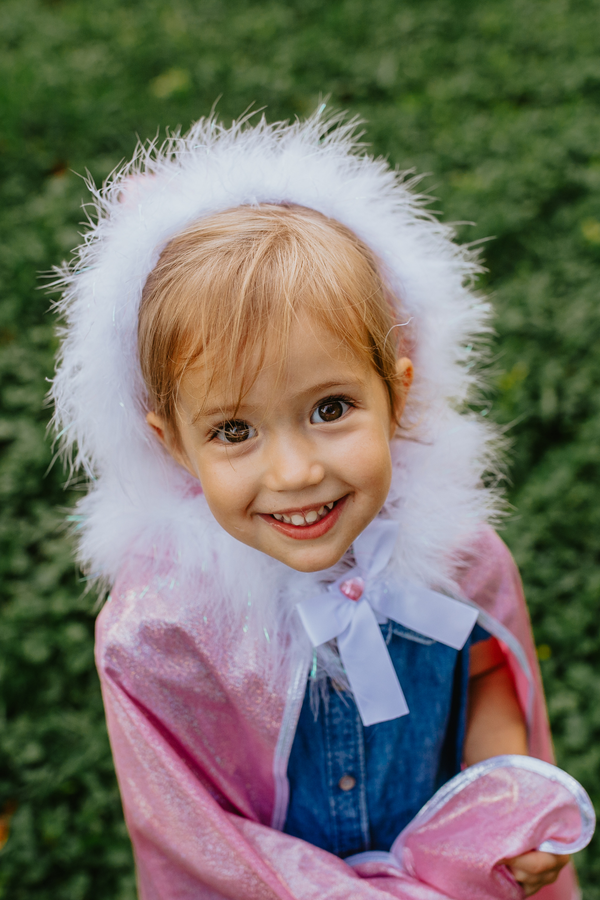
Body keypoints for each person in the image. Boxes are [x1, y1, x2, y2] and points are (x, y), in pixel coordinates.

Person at [51, 112, 583, 898]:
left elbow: (487, 674)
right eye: (234, 428)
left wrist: (506, 800)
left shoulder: (456, 556)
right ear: (172, 444)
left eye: (330, 408)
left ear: (398, 393)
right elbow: (191, 831)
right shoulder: (159, 631)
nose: (296, 470)